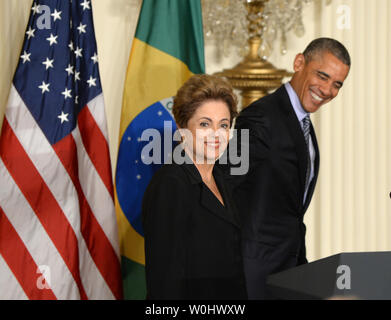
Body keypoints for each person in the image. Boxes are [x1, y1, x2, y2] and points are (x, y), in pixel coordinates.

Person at [227, 38, 351, 299]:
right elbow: (228, 187)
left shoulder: (303, 123)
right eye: (322, 76)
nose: (327, 89)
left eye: (337, 84)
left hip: (290, 267)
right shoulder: (260, 116)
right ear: (299, 63)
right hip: (254, 271)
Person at [142, 74, 247, 299]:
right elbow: (165, 283)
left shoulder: (221, 178)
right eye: (204, 124)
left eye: (224, 125)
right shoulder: (170, 185)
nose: (216, 134)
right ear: (181, 127)